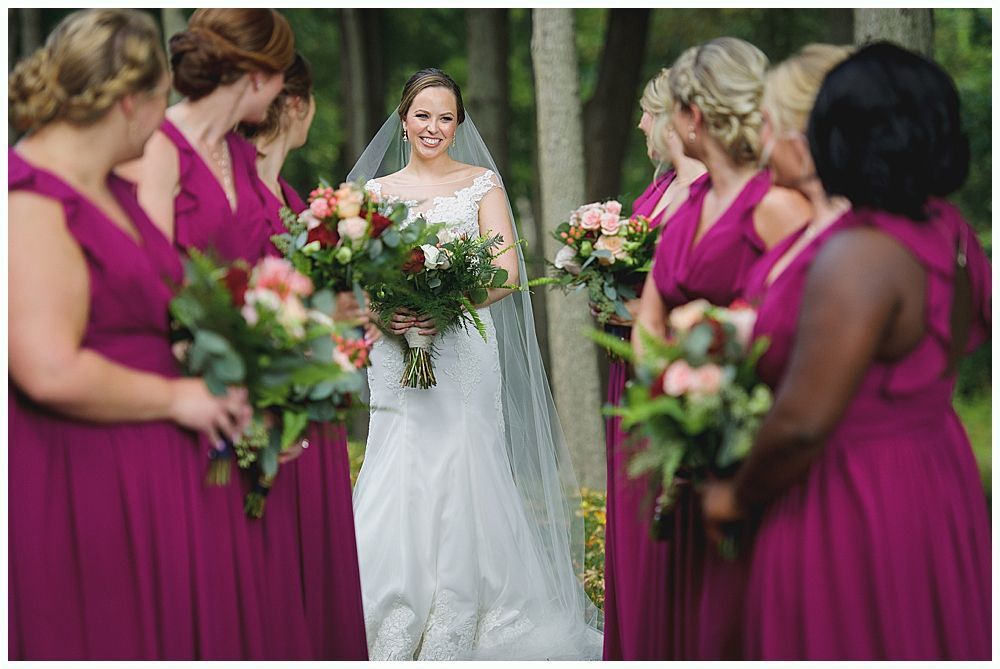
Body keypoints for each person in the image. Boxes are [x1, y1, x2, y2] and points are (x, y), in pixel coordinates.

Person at [703, 41, 991, 660]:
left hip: (851, 499)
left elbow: (805, 423)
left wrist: (735, 495)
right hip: (937, 475)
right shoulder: (951, 230)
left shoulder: (859, 254)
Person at [8, 9, 253, 659]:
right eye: (160, 101)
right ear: (127, 103)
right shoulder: (30, 200)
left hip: (156, 469)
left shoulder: (112, 187)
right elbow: (48, 367)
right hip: (83, 479)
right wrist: (178, 398)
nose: (164, 120)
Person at [347, 68, 603, 660]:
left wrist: (445, 306)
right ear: (404, 118)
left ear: (458, 124)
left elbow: (508, 273)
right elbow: (356, 276)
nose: (433, 127)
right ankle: (388, 604)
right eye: (423, 115)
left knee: (466, 460)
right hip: (394, 348)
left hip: (462, 346)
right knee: (398, 458)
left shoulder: (480, 183)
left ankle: (470, 609)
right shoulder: (373, 195)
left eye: (445, 117)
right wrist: (388, 316)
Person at [119, 9, 324, 660]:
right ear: (259, 76)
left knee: (245, 594)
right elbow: (151, 284)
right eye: (280, 73)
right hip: (176, 390)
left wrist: (279, 381)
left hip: (241, 399)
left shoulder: (240, 151)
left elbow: (265, 273)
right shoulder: (158, 145)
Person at [631, 37, 810, 659]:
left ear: (694, 116)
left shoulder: (779, 206)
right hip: (687, 438)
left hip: (748, 449)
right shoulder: (690, 206)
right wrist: (671, 394)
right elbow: (650, 315)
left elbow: (799, 330)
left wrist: (727, 405)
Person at [236, 52, 370, 660]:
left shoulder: (291, 195)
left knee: (314, 566)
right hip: (270, 406)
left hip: (315, 405)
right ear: (296, 105)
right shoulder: (240, 195)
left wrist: (335, 317)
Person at [602, 66, 705, 661]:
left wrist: (646, 310)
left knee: (660, 515)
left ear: (675, 118)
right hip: (629, 364)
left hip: (669, 372)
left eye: (647, 110)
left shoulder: (706, 191)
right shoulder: (659, 185)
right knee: (631, 517)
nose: (639, 121)